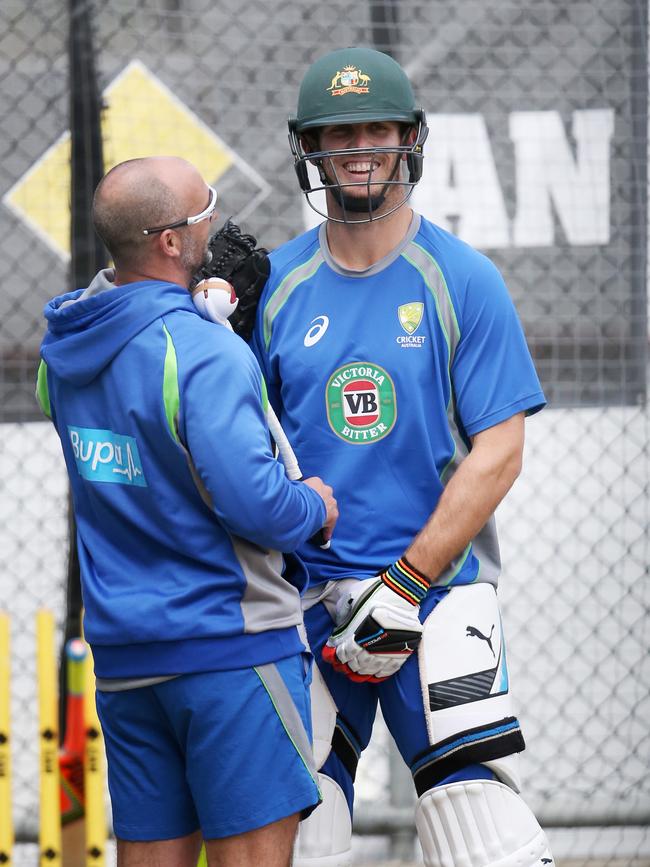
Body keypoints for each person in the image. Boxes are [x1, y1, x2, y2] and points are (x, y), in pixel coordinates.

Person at [251, 48, 555, 867]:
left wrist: (407, 581)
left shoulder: (463, 279)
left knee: (483, 835)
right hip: (308, 606)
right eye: (335, 132)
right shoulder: (272, 287)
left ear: (410, 138)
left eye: (374, 129)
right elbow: (240, 449)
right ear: (307, 149)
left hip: (437, 598)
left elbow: (501, 450)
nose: (356, 147)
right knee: (294, 840)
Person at [36, 156, 338, 867]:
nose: (218, 223)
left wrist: (183, 305)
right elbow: (256, 502)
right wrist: (314, 508)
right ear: (171, 241)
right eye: (205, 210)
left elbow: (144, 441)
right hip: (229, 652)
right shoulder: (203, 351)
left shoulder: (64, 352)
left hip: (128, 661)